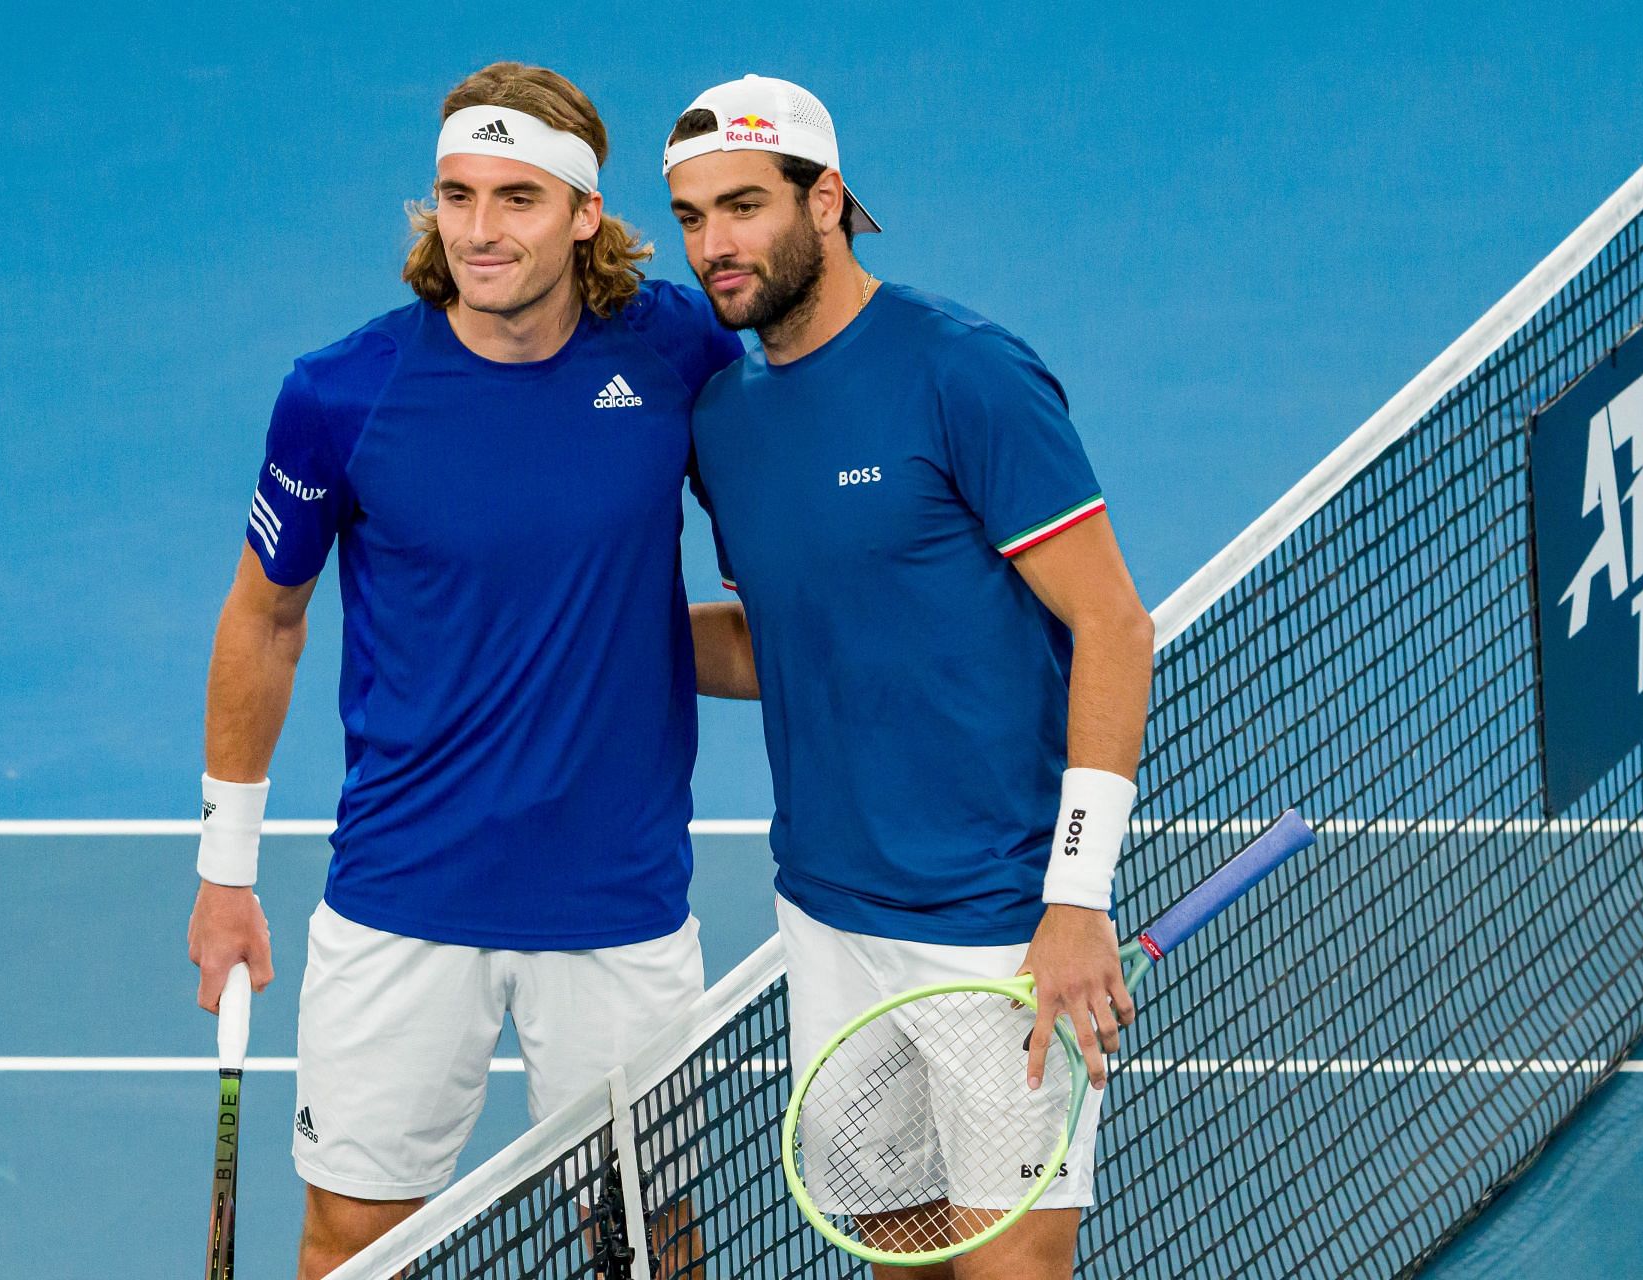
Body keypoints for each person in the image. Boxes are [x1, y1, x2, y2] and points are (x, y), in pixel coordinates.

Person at [185, 61, 743, 1279]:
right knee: (354, 1236)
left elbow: (786, 539)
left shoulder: (677, 355)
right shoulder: (343, 393)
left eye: (517, 199)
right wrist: (226, 873)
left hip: (617, 903)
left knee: (651, 1244)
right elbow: (264, 619)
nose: (479, 230)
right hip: (400, 895)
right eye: (455, 194)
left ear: (586, 214)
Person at [665, 76, 1156, 1280]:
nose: (715, 246)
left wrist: (1076, 896)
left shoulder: (966, 374)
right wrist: (587, 644)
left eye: (742, 206)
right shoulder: (724, 419)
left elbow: (1114, 626)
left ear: (825, 199)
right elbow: (786, 635)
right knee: (897, 1264)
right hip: (829, 921)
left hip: (994, 932)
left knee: (1010, 1273)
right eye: (689, 217)